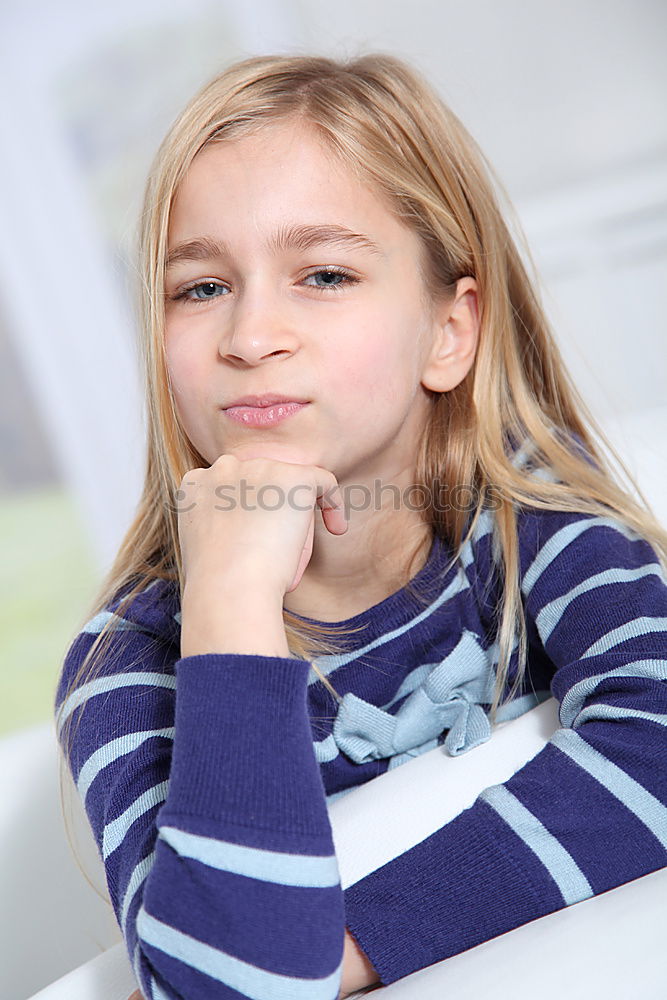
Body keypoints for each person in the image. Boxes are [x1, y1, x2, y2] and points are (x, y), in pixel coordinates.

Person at [55, 52, 667, 1000]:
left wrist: (341, 951)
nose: (251, 336)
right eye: (201, 288)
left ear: (447, 332)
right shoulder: (129, 663)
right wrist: (228, 599)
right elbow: (223, 987)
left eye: (325, 274)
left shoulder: (528, 523)